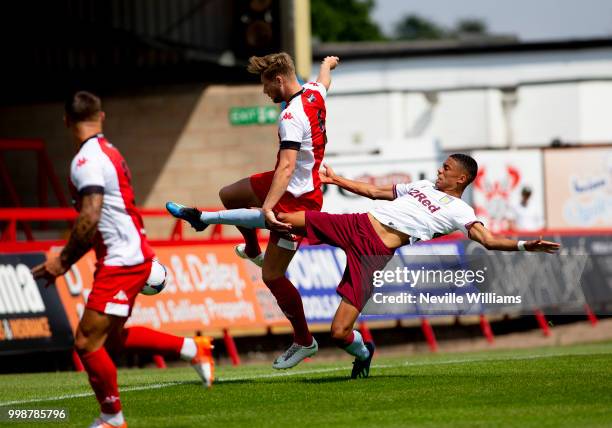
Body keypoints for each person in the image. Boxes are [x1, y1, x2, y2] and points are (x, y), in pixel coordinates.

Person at [166, 154, 560, 378]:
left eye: (446, 169)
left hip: (374, 252)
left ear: (462, 178)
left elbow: (487, 240)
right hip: (356, 222)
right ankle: (205, 217)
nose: (439, 171)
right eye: (441, 166)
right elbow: (374, 191)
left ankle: (363, 351)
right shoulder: (422, 186)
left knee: (340, 332)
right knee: (282, 217)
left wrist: (526, 244)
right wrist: (337, 179)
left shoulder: (461, 209)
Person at [32, 91, 214, 428]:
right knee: (111, 340)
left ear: (66, 122)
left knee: (86, 341)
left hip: (122, 261)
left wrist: (63, 261)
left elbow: (91, 215)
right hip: (130, 255)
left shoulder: (86, 160)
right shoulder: (111, 152)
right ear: (101, 117)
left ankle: (112, 419)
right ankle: (192, 347)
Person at [167, 52, 340, 369]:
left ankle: (304, 340)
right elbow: (324, 80)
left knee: (272, 276)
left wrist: (268, 208)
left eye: (266, 87)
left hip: (298, 199)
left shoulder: (291, 117)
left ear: (279, 80)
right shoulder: (314, 92)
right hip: (284, 182)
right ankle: (251, 246)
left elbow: (287, 167)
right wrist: (327, 64)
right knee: (228, 194)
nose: (265, 93)